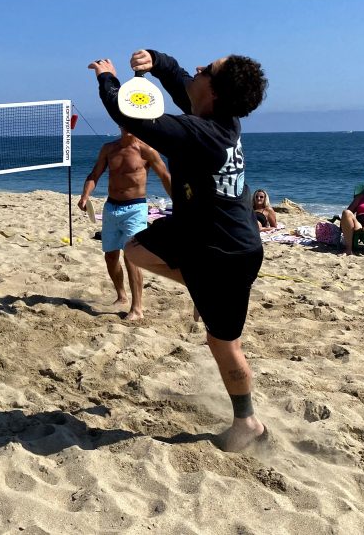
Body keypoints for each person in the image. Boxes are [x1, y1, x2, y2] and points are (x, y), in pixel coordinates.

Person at [91, 48, 268, 453]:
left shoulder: (201, 134)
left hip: (228, 252)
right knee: (135, 250)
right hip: (199, 234)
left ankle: (248, 422)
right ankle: (199, 288)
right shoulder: (216, 115)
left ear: (217, 93)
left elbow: (132, 117)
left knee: (224, 346)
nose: (200, 67)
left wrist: (108, 80)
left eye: (210, 69)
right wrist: (158, 60)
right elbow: (184, 82)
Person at [77, 128, 172, 321]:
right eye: (123, 121)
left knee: (132, 255)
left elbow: (165, 176)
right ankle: (121, 295)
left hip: (136, 208)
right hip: (111, 207)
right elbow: (95, 174)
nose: (126, 125)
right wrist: (85, 196)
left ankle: (137, 308)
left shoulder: (147, 151)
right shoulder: (108, 149)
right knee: (110, 257)